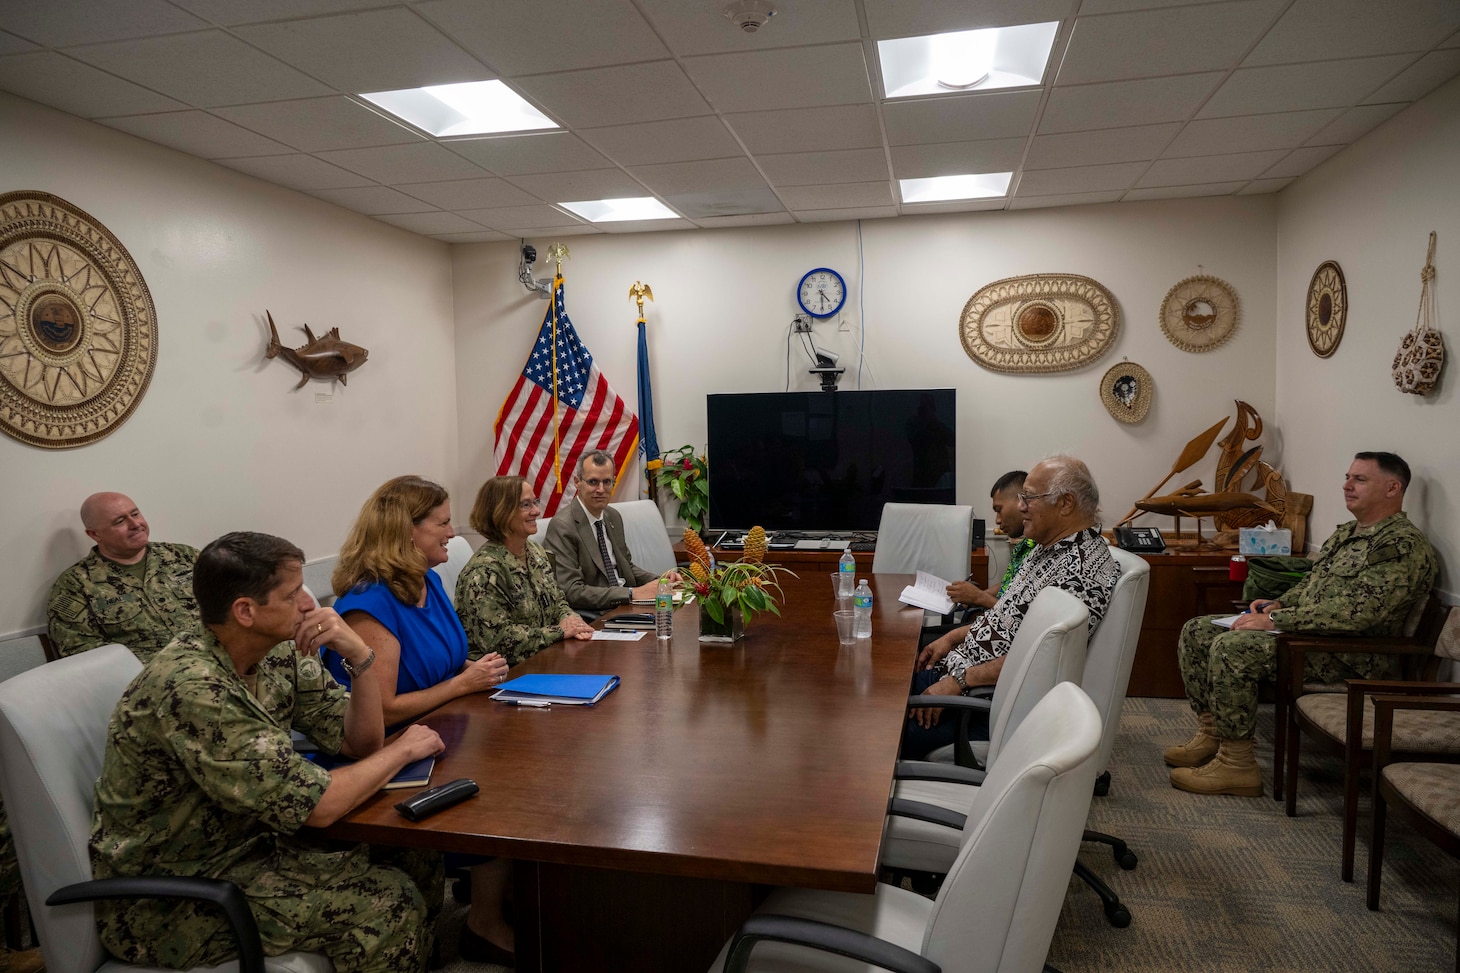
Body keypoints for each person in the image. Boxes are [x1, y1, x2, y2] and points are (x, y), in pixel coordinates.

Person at [89, 532, 445, 972]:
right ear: (246, 611)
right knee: (388, 905)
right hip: (172, 896)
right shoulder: (193, 688)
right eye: (293, 594)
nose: (309, 606)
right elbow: (320, 806)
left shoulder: (277, 652)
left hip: (253, 845)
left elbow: (359, 742)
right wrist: (403, 749)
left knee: (415, 852)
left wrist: (361, 658)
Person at [1166, 452, 1437, 797]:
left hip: (1353, 656)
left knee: (1235, 648)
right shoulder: (1349, 534)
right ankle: (1214, 733)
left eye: (1360, 479)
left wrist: (1276, 620)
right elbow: (1314, 585)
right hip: (1313, 637)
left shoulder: (1399, 545)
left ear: (1392, 488)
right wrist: (1281, 603)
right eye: (1347, 476)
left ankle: (1237, 766)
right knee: (1199, 630)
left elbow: (1360, 614)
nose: (1346, 485)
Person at [323, 475, 516, 964]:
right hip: (392, 752)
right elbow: (382, 709)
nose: (453, 531)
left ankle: (513, 899)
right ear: (405, 531)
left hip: (447, 726)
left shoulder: (426, 580)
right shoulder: (370, 604)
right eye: (443, 522)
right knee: (508, 794)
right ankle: (483, 925)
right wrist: (460, 685)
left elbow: (447, 662)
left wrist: (472, 670)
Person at [904, 456, 1122, 759]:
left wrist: (958, 682)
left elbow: (1041, 659)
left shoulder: (1079, 572)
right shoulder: (1048, 549)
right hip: (957, 679)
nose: (1020, 506)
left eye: (1029, 497)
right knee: (871, 691)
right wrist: (954, 638)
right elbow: (1008, 619)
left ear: (1066, 503)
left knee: (873, 729)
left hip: (979, 706)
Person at [456, 476, 594, 665]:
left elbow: (557, 601)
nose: (536, 511)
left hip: (544, 659)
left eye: (535, 502)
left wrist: (573, 621)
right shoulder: (485, 570)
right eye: (526, 505)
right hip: (503, 675)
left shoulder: (534, 551)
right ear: (501, 512)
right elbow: (498, 641)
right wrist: (560, 631)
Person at [46, 492, 199, 661]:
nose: (135, 524)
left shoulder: (185, 556)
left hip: (217, 663)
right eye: (120, 521)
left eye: (135, 514)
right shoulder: (75, 584)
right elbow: (80, 651)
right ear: (95, 535)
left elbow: (229, 606)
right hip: (150, 679)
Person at [544, 451, 680, 613]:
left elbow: (626, 567)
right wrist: (631, 593)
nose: (601, 489)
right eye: (593, 482)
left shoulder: (612, 516)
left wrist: (660, 581)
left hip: (627, 604)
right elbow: (571, 591)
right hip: (598, 613)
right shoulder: (562, 526)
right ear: (577, 482)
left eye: (607, 482)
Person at [945, 470, 1036, 613]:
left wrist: (979, 597)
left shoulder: (1041, 550)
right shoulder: (1025, 545)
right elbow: (1009, 583)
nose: (997, 520)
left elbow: (1020, 618)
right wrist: (977, 595)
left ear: (1021, 502)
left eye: (999, 509)